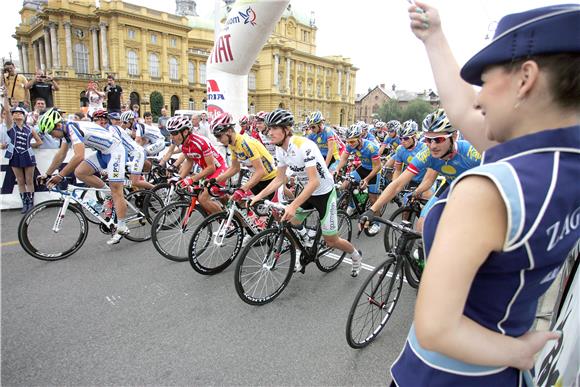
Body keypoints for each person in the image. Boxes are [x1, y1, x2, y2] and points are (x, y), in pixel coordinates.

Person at [388, 3, 580, 386]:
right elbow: (461, 110)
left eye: (487, 80)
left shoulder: (490, 189)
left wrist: (521, 352)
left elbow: (436, 329)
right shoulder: (555, 161)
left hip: (440, 375)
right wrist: (433, 37)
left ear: (525, 78)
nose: (478, 99)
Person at [250, 109, 364, 277]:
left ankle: (355, 255)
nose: (269, 132)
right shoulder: (280, 149)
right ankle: (299, 250)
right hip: (308, 193)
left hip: (324, 193)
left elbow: (314, 181)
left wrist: (293, 205)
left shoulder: (304, 146)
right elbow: (279, 179)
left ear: (286, 129)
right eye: (269, 128)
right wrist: (257, 197)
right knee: (286, 222)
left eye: (274, 128)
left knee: (331, 240)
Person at [37, 108, 130, 245]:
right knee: (80, 172)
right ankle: (107, 193)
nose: (52, 136)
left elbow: (79, 156)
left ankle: (122, 225)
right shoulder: (66, 131)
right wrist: (48, 173)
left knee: (116, 190)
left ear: (57, 125)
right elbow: (60, 155)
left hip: (116, 152)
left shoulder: (72, 128)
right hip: (103, 152)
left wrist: (61, 175)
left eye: (51, 132)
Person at [165, 115, 227, 215]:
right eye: (170, 133)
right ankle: (228, 211)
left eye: (174, 133)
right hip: (207, 171)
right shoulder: (184, 144)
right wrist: (180, 178)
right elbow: (189, 162)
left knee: (203, 199)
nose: (171, 137)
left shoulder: (200, 142)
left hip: (219, 169)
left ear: (185, 131)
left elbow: (211, 168)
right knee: (220, 198)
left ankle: (227, 224)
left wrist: (191, 179)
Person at [210, 112, 277, 200]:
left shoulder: (246, 144)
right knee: (239, 202)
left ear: (229, 131)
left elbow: (261, 171)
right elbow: (235, 168)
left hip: (271, 179)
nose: (218, 140)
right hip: (258, 180)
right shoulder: (233, 144)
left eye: (219, 136)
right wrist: (215, 180)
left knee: (274, 212)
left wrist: (242, 189)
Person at [335, 123, 382, 233]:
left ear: (360, 138)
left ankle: (377, 223)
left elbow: (378, 166)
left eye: (352, 141)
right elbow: (344, 158)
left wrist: (366, 179)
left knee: (373, 198)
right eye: (348, 141)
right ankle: (352, 206)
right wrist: (337, 169)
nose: (350, 144)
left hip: (374, 171)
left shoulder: (371, 147)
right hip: (363, 168)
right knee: (346, 184)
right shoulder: (350, 145)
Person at [1, 105, 43, 213]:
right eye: (15, 113)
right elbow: (6, 110)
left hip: (28, 155)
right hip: (15, 155)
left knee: (29, 180)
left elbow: (39, 142)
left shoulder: (30, 128)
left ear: (24, 116)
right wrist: (5, 96)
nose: (17, 114)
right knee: (20, 181)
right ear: (12, 116)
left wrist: (29, 146)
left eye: (20, 113)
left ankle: (31, 203)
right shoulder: (11, 127)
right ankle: (24, 203)